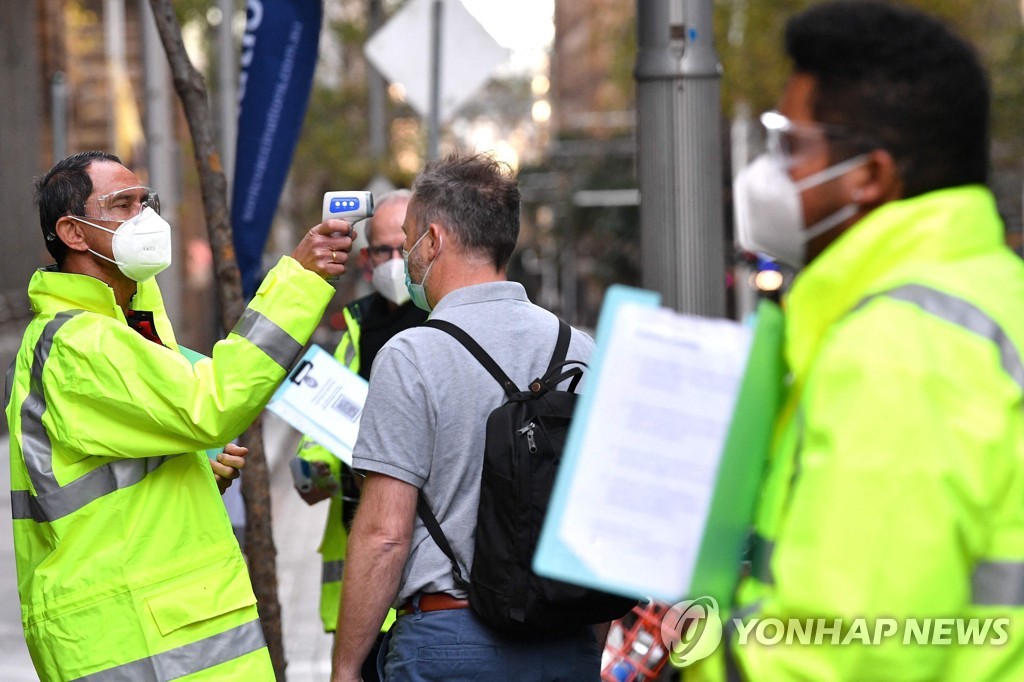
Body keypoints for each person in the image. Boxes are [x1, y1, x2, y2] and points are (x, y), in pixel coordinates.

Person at [703, 1, 1024, 679]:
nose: (770, 175)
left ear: (871, 176)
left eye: (792, 147)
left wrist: (690, 662)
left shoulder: (897, 349)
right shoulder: (994, 296)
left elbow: (849, 655)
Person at [5, 150, 354, 681]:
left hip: (156, 632)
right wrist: (299, 280)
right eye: (122, 205)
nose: (144, 217)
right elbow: (211, 404)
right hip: (134, 640)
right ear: (73, 233)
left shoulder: (121, 326)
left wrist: (191, 470)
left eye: (147, 201)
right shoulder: (80, 342)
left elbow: (114, 484)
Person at [329, 152, 603, 681]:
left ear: (432, 241)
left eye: (408, 240)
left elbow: (385, 533)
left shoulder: (412, 355)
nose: (406, 258)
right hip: (564, 640)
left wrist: (344, 669)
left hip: (448, 642)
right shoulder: (580, 351)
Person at [291, 189, 426, 680]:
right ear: (366, 258)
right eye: (383, 250)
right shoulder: (356, 324)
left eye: (402, 248)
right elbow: (321, 421)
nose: (394, 262)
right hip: (359, 554)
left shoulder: (444, 318)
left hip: (422, 568)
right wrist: (313, 470)